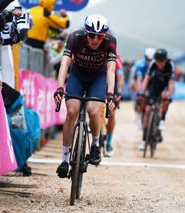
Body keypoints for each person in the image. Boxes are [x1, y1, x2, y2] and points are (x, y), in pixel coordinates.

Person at [54, 14, 116, 178]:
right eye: (91, 35)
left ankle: (95, 145)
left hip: (98, 78)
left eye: (100, 36)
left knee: (94, 110)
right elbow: (65, 63)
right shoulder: (75, 37)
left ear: (105, 35)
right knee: (72, 111)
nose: (95, 40)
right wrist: (60, 87)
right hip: (78, 76)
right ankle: (64, 159)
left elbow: (110, 70)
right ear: (85, 32)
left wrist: (110, 94)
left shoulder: (110, 41)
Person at [138, 49, 175, 150]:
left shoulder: (170, 64)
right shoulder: (153, 63)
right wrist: (142, 91)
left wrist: (169, 94)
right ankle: (144, 139)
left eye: (162, 61)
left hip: (165, 86)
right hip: (154, 86)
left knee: (165, 98)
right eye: (158, 61)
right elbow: (146, 79)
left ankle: (162, 119)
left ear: (166, 60)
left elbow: (171, 83)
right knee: (147, 111)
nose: (159, 63)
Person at [105, 53, 124, 157]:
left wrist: (119, 91)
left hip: (112, 84)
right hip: (99, 81)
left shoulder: (115, 55)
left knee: (112, 113)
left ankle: (108, 143)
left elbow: (120, 76)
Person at [133, 48, 156, 129]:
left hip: (152, 82)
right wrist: (140, 92)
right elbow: (139, 80)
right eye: (147, 59)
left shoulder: (156, 64)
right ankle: (139, 115)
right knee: (140, 97)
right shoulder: (141, 64)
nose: (149, 61)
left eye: (151, 60)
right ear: (145, 58)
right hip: (142, 80)